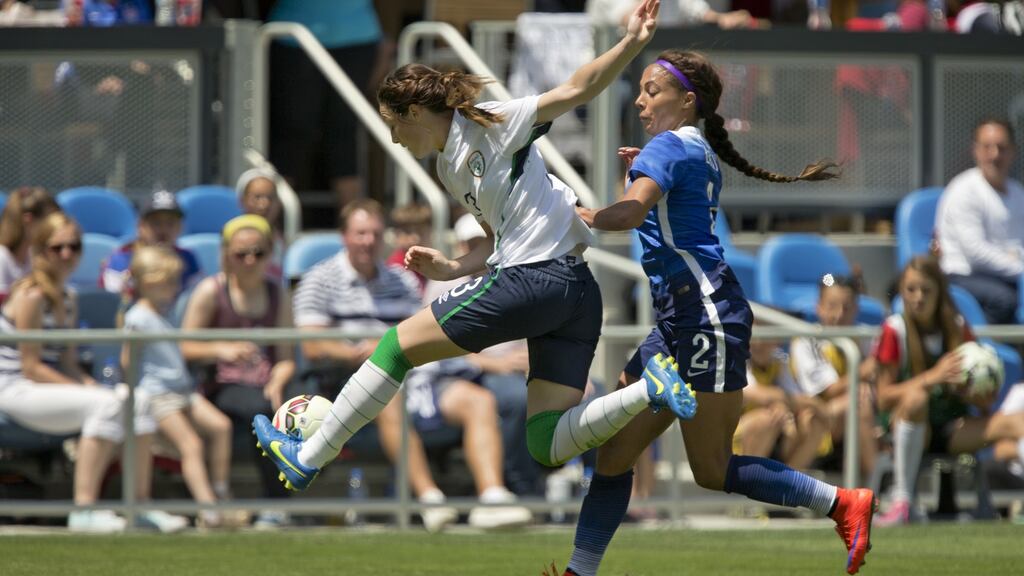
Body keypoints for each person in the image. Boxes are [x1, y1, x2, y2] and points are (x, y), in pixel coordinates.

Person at [254, 0, 695, 519]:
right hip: (575, 293)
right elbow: (494, 238)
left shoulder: (493, 124)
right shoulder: (448, 168)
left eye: (395, 126)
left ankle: (309, 454)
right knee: (546, 442)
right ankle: (649, 390)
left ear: (415, 113)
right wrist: (454, 269)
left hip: (538, 279)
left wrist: (632, 43)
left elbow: (577, 88)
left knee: (395, 347)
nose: (394, 139)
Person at [563, 49, 874, 576]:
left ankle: (841, 502)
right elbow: (657, 215)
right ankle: (578, 571)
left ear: (687, 101)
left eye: (652, 90)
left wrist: (577, 215)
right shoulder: (693, 147)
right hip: (686, 315)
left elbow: (632, 213)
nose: (639, 100)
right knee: (615, 453)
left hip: (703, 315)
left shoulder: (668, 147)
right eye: (639, 89)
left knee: (709, 468)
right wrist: (637, 184)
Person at [292, 200, 530, 531]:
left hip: (419, 377)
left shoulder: (400, 281)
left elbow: (419, 336)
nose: (368, 241)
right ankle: (430, 500)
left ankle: (492, 497)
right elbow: (313, 346)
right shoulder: (319, 279)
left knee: (479, 400)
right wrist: (363, 353)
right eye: (360, 233)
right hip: (351, 382)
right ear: (344, 236)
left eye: (374, 233)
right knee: (387, 396)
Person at [0, 211, 127, 532]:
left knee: (126, 397)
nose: (67, 254)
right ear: (40, 251)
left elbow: (68, 362)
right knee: (106, 404)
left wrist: (93, 386)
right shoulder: (31, 295)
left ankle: (137, 503)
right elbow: (31, 367)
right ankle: (84, 508)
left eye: (74, 246)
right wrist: (92, 394)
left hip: (38, 387)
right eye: (57, 247)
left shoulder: (67, 296)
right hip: (13, 389)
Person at [873, 256, 1024, 525]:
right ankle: (903, 502)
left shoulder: (956, 326)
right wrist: (933, 377)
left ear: (940, 291)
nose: (918, 297)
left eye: (926, 290)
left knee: (1018, 422)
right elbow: (883, 399)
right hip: (906, 427)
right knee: (917, 398)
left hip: (952, 428)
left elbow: (980, 404)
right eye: (911, 289)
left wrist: (979, 395)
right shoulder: (894, 330)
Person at [180, 215, 296, 529]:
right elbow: (184, 348)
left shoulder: (278, 294)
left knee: (303, 410)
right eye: (241, 254)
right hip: (220, 384)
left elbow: (286, 357)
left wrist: (279, 379)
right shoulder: (210, 291)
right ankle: (277, 504)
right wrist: (221, 348)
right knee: (260, 412)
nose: (249, 261)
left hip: (266, 383)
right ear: (226, 255)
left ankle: (287, 500)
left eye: (258, 253)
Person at [124, 245, 234, 530]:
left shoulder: (163, 314)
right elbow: (128, 362)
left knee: (221, 426)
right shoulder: (137, 318)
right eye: (170, 281)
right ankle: (208, 510)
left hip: (183, 391)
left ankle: (221, 492)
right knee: (192, 446)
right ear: (149, 283)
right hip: (159, 395)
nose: (176, 288)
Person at [935, 118, 1024, 325]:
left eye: (1001, 148)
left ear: (1013, 151)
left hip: (1004, 276)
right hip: (961, 276)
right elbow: (975, 253)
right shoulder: (964, 190)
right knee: (1004, 300)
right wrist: (1019, 266)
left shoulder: (1018, 193)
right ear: (975, 150)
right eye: (987, 147)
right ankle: (982, 349)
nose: (995, 155)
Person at [789, 273, 879, 478]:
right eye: (831, 306)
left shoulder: (867, 335)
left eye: (846, 307)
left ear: (856, 309)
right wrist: (863, 373)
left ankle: (872, 485)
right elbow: (827, 391)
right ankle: (878, 486)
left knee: (864, 402)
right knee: (859, 401)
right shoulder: (806, 339)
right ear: (818, 307)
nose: (839, 315)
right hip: (814, 415)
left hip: (851, 415)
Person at [737, 337, 829, 471]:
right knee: (768, 419)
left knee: (812, 420)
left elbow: (795, 398)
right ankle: (750, 481)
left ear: (777, 340)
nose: (757, 343)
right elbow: (758, 395)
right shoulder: (738, 360)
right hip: (738, 434)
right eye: (753, 337)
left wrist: (784, 405)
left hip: (777, 430)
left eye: (764, 338)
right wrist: (814, 404)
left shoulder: (779, 362)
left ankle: (790, 479)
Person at [100, 189, 202, 298]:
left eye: (170, 223)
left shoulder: (187, 258)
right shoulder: (122, 258)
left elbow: (197, 298)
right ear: (140, 226)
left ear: (180, 228)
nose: (164, 230)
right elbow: (112, 302)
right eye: (156, 223)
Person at [0, 186, 59, 303]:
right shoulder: (2, 258)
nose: (56, 228)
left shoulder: (37, 257)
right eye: (50, 221)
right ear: (29, 220)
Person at [235, 168, 284, 282]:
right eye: (257, 197)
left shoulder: (282, 240)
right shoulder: (231, 238)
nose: (264, 204)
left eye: (270, 198)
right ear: (242, 200)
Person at [386, 202, 433, 292]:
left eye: (420, 231)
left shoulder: (431, 264)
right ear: (396, 234)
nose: (415, 238)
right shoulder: (394, 271)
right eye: (407, 232)